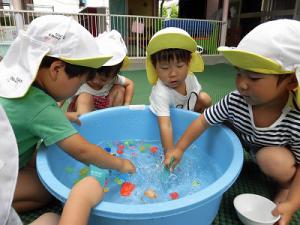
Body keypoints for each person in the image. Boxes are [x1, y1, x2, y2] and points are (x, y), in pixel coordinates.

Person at [165, 19, 300, 225]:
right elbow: (203, 121)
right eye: (239, 73)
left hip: (276, 155)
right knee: (218, 123)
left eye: (254, 78)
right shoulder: (235, 99)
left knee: (272, 159)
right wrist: (179, 149)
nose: (242, 84)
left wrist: (291, 203)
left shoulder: (294, 118)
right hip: (246, 142)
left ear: (290, 81)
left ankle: (285, 186)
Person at [0, 15, 136, 214]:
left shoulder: (12, 79)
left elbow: (20, 115)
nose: (78, 89)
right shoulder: (40, 105)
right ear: (57, 70)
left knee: (38, 161)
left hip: (10, 158)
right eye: (79, 83)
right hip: (5, 172)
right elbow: (83, 151)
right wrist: (121, 163)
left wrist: (61, 117)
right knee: (44, 191)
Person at [146, 27, 211, 155]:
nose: (173, 73)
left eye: (180, 66)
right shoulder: (161, 92)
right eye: (165, 67)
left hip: (187, 113)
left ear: (188, 63)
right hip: (167, 118)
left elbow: (195, 98)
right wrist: (170, 152)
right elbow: (165, 125)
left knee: (205, 98)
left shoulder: (191, 78)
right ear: (155, 68)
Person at [67, 30, 134, 117]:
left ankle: (112, 118)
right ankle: (86, 125)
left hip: (103, 109)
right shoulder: (81, 78)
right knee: (85, 97)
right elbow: (61, 96)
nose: (96, 81)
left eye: (103, 80)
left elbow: (130, 84)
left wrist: (127, 104)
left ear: (113, 76)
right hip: (81, 111)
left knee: (119, 89)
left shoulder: (113, 79)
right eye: (91, 76)